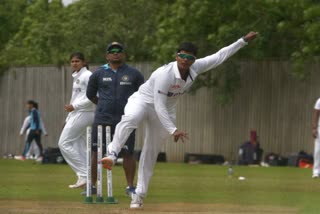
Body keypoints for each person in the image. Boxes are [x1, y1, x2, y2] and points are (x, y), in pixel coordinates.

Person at [101, 32, 258, 208]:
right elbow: (158, 104)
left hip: (166, 110)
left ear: (193, 59)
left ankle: (138, 196)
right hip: (143, 101)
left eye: (189, 57)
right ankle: (112, 154)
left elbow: (220, 56)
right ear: (176, 56)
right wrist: (173, 130)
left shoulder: (196, 67)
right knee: (131, 117)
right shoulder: (165, 74)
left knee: (150, 152)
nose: (184, 60)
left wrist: (242, 41)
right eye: (181, 56)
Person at [86, 42, 144, 196]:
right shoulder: (98, 74)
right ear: (107, 56)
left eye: (119, 51)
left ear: (123, 55)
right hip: (102, 119)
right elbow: (90, 94)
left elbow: (142, 95)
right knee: (96, 152)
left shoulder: (134, 74)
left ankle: (130, 187)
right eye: (112, 51)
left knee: (128, 153)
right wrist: (103, 105)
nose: (116, 53)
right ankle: (92, 185)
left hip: (125, 119)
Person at [58, 52, 95, 189]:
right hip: (76, 114)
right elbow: (75, 98)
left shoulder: (88, 76)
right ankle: (86, 177)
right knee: (79, 146)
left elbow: (93, 96)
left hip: (84, 113)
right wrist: (68, 118)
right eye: (72, 61)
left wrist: (75, 106)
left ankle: (84, 175)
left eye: (77, 61)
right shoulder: (77, 76)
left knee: (64, 143)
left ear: (84, 62)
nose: (74, 63)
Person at [312, 98, 320, 178]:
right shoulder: (319, 100)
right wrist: (314, 128)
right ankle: (316, 172)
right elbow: (316, 114)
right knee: (318, 150)